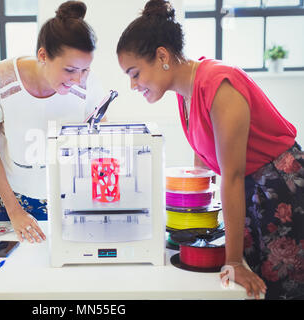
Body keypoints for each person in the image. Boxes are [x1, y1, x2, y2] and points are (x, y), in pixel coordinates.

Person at [117, 0, 303, 300]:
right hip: (248, 193)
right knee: (252, 289)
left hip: (280, 190)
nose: (132, 85)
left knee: (278, 290)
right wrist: (193, 223)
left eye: (135, 73)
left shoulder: (218, 83)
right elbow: (202, 167)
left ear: (162, 56)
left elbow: (232, 175)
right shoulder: (184, 93)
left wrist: (231, 260)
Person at [0, 1, 105, 244]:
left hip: (52, 190)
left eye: (85, 70)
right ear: (43, 55)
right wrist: (14, 211)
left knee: (45, 259)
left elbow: (99, 146)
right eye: (70, 69)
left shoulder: (89, 86)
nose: (78, 79)